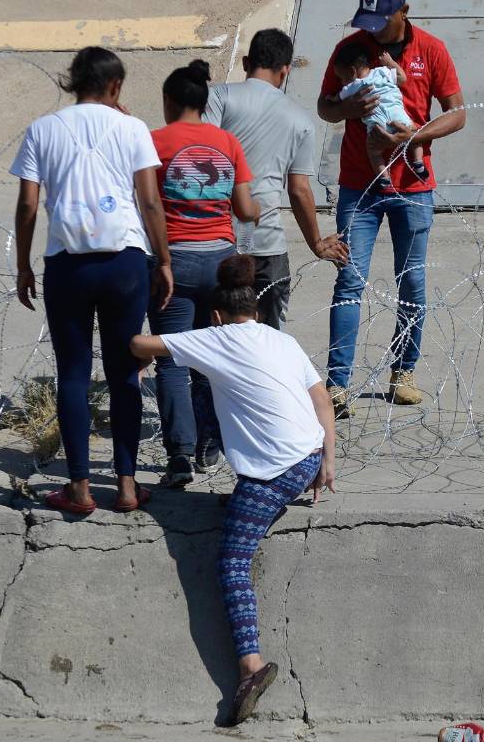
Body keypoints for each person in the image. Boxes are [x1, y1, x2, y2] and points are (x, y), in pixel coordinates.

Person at [129, 255, 336, 726]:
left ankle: (250, 666)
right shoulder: (282, 339)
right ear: (257, 313)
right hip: (309, 456)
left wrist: (137, 343)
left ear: (217, 315)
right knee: (215, 388)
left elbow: (140, 343)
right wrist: (328, 461)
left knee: (232, 561)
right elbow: (321, 398)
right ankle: (251, 499)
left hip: (275, 472)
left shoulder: (214, 337)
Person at [11, 46, 171, 515]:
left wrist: (23, 264)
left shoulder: (42, 129)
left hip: (68, 264)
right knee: (125, 371)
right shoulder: (133, 128)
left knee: (73, 374)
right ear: (116, 86)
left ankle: (79, 488)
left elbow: (27, 204)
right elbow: (149, 201)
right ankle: (126, 486)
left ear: (73, 81)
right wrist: (163, 260)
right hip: (125, 262)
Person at [317, 0, 466, 417]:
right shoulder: (350, 51)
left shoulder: (432, 50)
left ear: (404, 12)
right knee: (349, 279)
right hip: (359, 186)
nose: (374, 30)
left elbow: (457, 113)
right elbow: (325, 106)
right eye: (368, 21)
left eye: (382, 20)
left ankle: (404, 371)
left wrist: (414, 136)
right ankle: (337, 384)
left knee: (412, 280)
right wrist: (348, 108)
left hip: (414, 187)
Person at [149, 60, 260, 488]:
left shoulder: (154, 142)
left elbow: (145, 202)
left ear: (168, 101)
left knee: (172, 359)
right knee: (212, 358)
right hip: (220, 261)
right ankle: (209, 445)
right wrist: (259, 207)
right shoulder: (227, 142)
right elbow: (245, 209)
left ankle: (178, 455)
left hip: (173, 261)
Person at [204, 28, 348, 331]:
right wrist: (317, 244)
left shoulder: (218, 98)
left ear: (246, 62)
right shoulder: (300, 120)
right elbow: (299, 190)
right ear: (285, 71)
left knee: (216, 336)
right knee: (268, 339)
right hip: (268, 246)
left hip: (219, 239)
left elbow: (203, 155)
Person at [326, 40, 426, 192]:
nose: (342, 82)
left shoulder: (351, 87)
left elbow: (338, 98)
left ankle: (383, 177)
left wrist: (331, 99)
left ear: (352, 71)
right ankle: (418, 162)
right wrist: (390, 62)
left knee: (373, 151)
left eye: (341, 77)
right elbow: (402, 78)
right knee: (415, 135)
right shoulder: (382, 72)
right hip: (398, 117)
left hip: (377, 125)